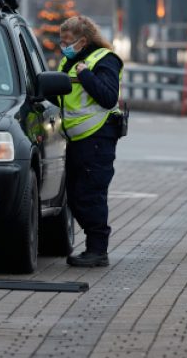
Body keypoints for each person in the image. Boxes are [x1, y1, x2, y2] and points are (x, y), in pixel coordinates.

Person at [56, 15, 124, 267]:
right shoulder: (69, 60)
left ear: (83, 40)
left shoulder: (104, 60)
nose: (63, 45)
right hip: (78, 139)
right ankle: (94, 248)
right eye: (61, 40)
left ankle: (97, 251)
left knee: (90, 195)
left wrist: (85, 75)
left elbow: (107, 96)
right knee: (75, 195)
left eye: (67, 41)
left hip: (97, 138)